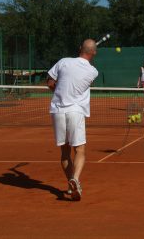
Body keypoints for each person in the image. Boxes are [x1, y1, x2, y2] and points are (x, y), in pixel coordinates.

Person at [47, 39, 98, 201]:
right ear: (93, 53)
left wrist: (60, 92)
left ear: (79, 49)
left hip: (58, 111)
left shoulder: (63, 62)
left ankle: (71, 184)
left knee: (65, 152)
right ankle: (75, 179)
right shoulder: (93, 72)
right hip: (75, 112)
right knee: (80, 151)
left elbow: (50, 82)